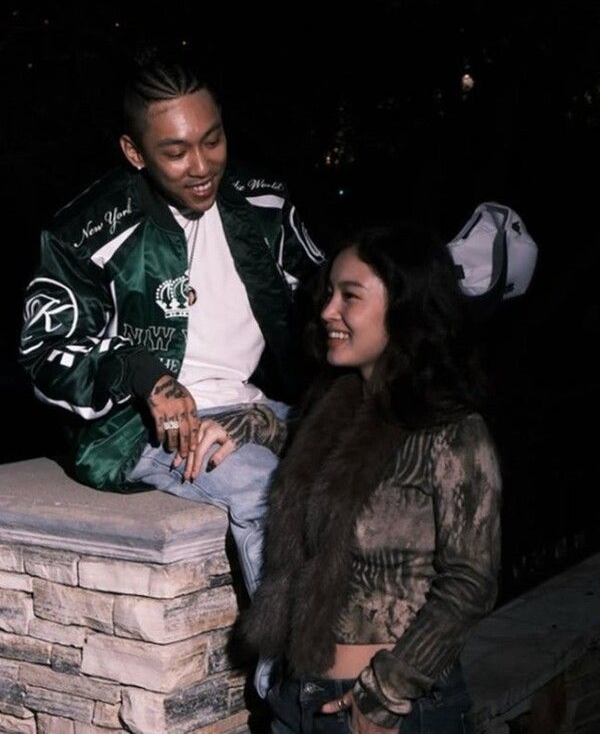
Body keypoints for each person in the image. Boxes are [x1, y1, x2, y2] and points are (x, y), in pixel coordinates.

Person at [19, 57, 323, 598]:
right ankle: (296, 653)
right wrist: (145, 374)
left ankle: (391, 645)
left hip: (256, 405)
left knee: (389, 461)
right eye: (177, 152)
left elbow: (328, 307)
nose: (202, 166)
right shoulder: (85, 232)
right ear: (135, 152)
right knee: (267, 492)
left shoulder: (263, 204)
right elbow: (46, 355)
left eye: (213, 140)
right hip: (141, 429)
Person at [243, 223, 502, 733]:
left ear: (404, 308)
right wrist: (238, 426)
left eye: (350, 296)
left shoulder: (452, 432)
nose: (327, 311)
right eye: (328, 293)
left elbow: (471, 581)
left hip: (388, 710)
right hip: (297, 701)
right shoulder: (330, 413)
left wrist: (388, 691)